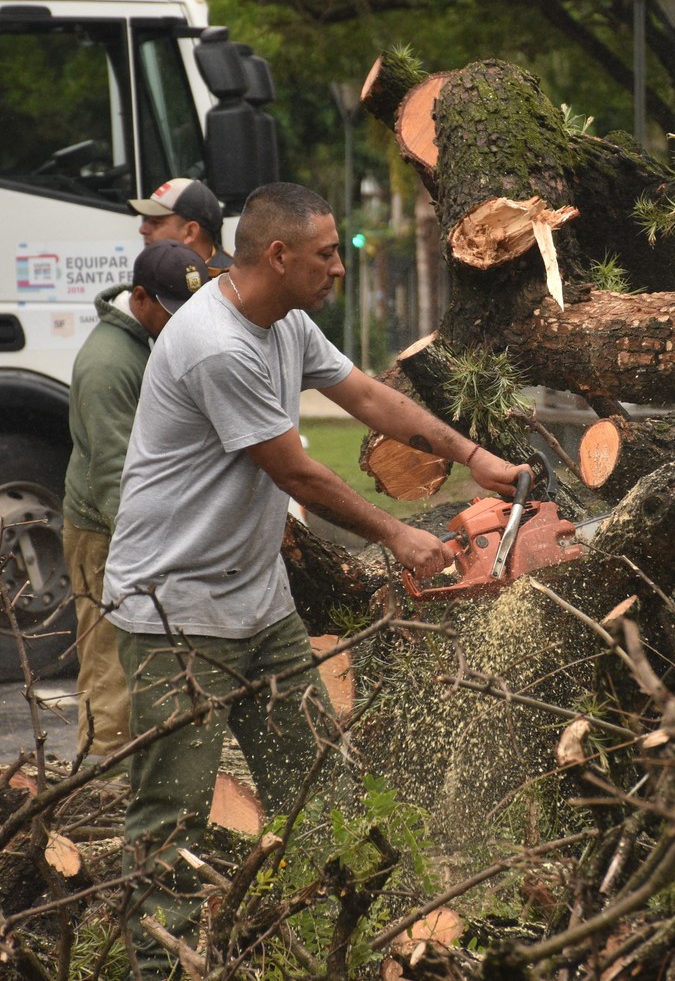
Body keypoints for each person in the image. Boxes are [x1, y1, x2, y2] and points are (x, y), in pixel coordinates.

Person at [103, 182, 527, 978]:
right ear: (278, 255)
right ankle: (156, 968)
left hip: (256, 604)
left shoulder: (286, 322)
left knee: (319, 786)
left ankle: (336, 948)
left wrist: (475, 457)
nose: (339, 266)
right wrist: (400, 533)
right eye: (328, 253)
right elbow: (294, 469)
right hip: (175, 610)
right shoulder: (216, 343)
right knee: (171, 813)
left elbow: (364, 394)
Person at [63, 240, 206, 756]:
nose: (182, 324)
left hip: (138, 523)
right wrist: (143, 550)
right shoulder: (108, 364)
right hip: (106, 529)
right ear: (140, 297)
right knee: (110, 665)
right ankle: (101, 786)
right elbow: (113, 472)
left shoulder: (147, 338)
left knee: (146, 663)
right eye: (172, 313)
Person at [129, 177, 234, 277]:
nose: (142, 229)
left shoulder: (236, 283)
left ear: (190, 232)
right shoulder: (150, 273)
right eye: (147, 219)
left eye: (156, 222)